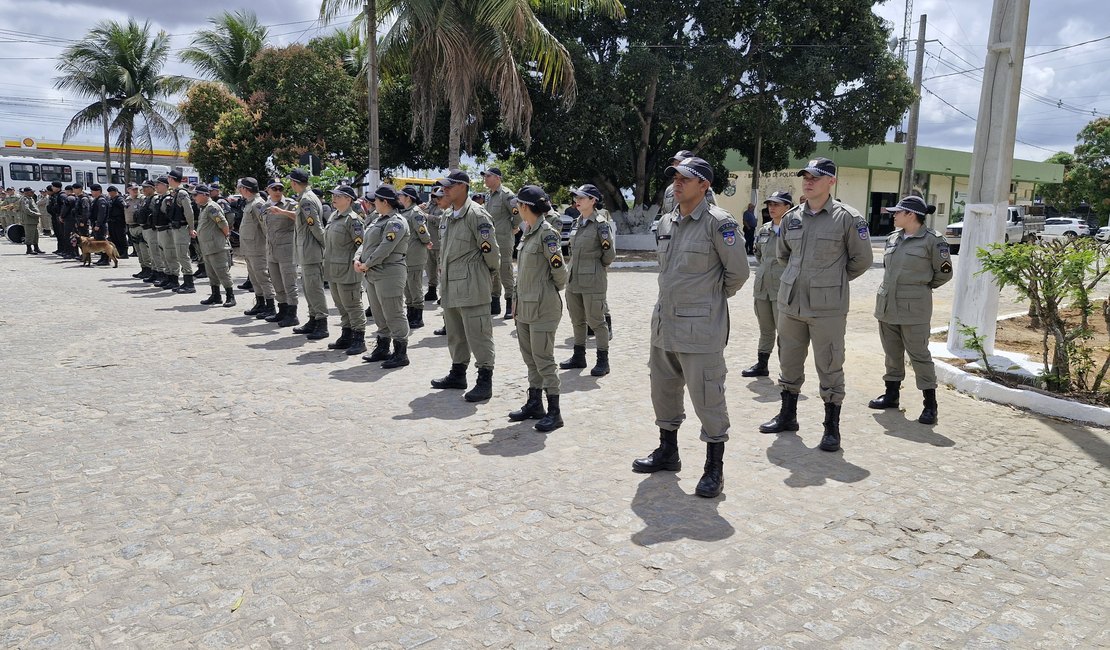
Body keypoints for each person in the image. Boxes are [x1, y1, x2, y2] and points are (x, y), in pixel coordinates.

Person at [632, 156, 749, 499]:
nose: (677, 183)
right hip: (665, 324)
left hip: (700, 330)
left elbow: (738, 274)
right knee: (663, 392)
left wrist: (707, 301)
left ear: (704, 185)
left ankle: (714, 468)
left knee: (708, 398)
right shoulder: (667, 222)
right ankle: (668, 452)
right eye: (675, 178)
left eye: (686, 178)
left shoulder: (719, 223)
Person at [759, 158, 873, 453]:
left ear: (831, 182)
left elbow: (862, 261)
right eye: (805, 177)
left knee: (830, 365)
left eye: (815, 177)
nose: (808, 182)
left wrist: (830, 280)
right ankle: (788, 416)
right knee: (789, 361)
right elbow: (784, 256)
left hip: (827, 308)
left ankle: (831, 428)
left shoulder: (847, 218)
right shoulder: (792, 217)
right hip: (791, 302)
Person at [870, 196, 952, 424]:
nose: (893, 215)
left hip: (914, 308)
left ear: (911, 215)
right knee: (892, 354)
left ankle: (930, 405)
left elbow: (944, 273)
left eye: (897, 212)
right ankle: (892, 395)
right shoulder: (893, 238)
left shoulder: (934, 241)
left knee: (919, 356)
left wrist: (920, 289)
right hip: (887, 305)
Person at [429, 170, 501, 402]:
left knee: (478, 334)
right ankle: (458, 373)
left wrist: (484, 276)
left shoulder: (477, 215)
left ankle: (484, 380)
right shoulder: (448, 216)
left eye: (449, 186)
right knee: (456, 333)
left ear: (463, 187)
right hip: (450, 284)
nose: (445, 190)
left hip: (472, 284)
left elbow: (492, 253)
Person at [505, 186, 569, 431]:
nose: (516, 209)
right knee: (530, 358)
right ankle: (535, 403)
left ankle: (555, 412)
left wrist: (545, 292)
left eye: (518, 205)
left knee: (544, 360)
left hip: (543, 307)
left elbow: (559, 273)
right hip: (524, 308)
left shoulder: (547, 234)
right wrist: (516, 302)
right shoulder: (529, 232)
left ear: (524, 207)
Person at [560, 184, 616, 376]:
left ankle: (603, 360)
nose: (577, 200)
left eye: (582, 198)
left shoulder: (601, 224)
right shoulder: (577, 222)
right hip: (574, 279)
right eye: (576, 197)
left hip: (593, 280)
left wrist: (595, 268)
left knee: (597, 321)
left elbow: (609, 254)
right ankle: (578, 356)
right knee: (577, 320)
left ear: (593, 200)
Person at [267, 169, 329, 340]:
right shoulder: (305, 198)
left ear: (294, 183)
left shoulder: (307, 200)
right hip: (306, 249)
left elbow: (315, 226)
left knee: (314, 288)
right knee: (308, 287)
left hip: (311, 250)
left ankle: (321, 323)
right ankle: (313, 319)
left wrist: (326, 247)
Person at [356, 185, 412, 369]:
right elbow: (366, 244)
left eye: (376, 200)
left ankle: (400, 352)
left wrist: (367, 263)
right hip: (372, 272)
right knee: (379, 313)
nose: (373, 203)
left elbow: (385, 248)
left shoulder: (396, 222)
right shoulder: (377, 220)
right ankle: (382, 347)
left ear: (385, 202)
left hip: (389, 272)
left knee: (393, 312)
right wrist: (357, 258)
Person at [741, 191, 793, 378]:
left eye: (777, 204)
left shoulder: (794, 231)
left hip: (782, 289)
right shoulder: (764, 229)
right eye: (770, 204)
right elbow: (759, 255)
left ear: (788, 207)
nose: (771, 208)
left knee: (785, 332)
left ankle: (787, 371)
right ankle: (762, 365)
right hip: (762, 287)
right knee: (765, 329)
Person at [324, 185, 368, 355]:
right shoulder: (334, 216)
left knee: (353, 305)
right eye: (333, 195)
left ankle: (359, 338)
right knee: (341, 305)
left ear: (348, 199)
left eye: (338, 196)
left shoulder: (353, 220)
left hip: (348, 271)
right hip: (333, 269)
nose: (334, 198)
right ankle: (346, 334)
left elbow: (361, 245)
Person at [481, 167, 519, 318]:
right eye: (485, 176)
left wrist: (514, 227)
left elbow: (517, 214)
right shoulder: (488, 196)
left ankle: (510, 304)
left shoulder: (507, 195)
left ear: (497, 178)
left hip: (503, 239)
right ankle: (494, 303)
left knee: (505, 270)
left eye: (488, 176)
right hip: (490, 240)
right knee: (492, 271)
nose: (485, 179)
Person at [262, 181, 300, 327]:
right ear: (268, 190)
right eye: (274, 188)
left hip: (286, 250)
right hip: (271, 249)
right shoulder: (265, 206)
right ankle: (282, 311)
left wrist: (283, 212)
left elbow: (300, 217)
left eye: (281, 189)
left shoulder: (290, 204)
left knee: (289, 283)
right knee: (277, 283)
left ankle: (292, 314)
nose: (278, 191)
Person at [237, 178, 276, 319]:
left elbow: (265, 226)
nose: (239, 190)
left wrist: (269, 245)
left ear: (246, 189)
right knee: (254, 278)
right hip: (249, 248)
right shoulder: (250, 203)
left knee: (262, 277)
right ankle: (260, 303)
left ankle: (270, 306)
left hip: (258, 248)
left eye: (241, 188)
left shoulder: (257, 204)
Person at [193, 184, 236, 308]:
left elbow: (223, 224)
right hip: (207, 247)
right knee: (211, 273)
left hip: (216, 246)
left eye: (196, 195)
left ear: (204, 195)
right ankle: (216, 296)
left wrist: (224, 237)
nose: (194, 197)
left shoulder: (212, 207)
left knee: (222, 272)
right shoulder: (204, 208)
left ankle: (230, 296)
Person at [397, 186, 433, 330]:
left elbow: (422, 231)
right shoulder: (405, 212)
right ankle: (410, 313)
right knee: (407, 287)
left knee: (415, 286)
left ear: (408, 198)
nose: (399, 198)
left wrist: (427, 241)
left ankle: (418, 316)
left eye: (401, 195)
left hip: (415, 256)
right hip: (406, 256)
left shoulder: (415, 212)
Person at [166, 170, 197, 294]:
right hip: (177, 228)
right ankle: (186, 282)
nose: (167, 180)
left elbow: (189, 212)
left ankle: (189, 284)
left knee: (183, 255)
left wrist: (191, 227)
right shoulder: (175, 192)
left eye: (168, 178)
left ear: (172, 178)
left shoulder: (182, 193)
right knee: (180, 255)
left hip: (182, 228)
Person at [661, 149, 717, 214]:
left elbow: (711, 212)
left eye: (680, 162)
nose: (677, 166)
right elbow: (664, 212)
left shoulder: (703, 189)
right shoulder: (669, 190)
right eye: (674, 163)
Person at [424, 186, 444, 304]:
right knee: (430, 269)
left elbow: (440, 221)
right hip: (430, 242)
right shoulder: (430, 206)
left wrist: (428, 216)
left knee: (442, 270)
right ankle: (432, 290)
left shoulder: (444, 208)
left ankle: (444, 293)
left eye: (435, 196)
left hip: (439, 243)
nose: (434, 199)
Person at [106, 186, 128, 260]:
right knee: (114, 237)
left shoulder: (120, 199)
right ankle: (118, 252)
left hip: (119, 221)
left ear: (115, 191)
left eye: (111, 192)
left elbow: (124, 207)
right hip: (112, 221)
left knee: (121, 237)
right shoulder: (111, 199)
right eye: (109, 192)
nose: (110, 194)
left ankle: (124, 253)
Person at [19, 187, 43, 254]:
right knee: (29, 235)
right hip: (28, 220)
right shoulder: (24, 199)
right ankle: (29, 249)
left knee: (35, 235)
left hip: (33, 220)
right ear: (26, 192)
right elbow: (26, 210)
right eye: (31, 192)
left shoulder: (31, 198)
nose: (33, 193)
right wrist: (36, 214)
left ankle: (36, 248)